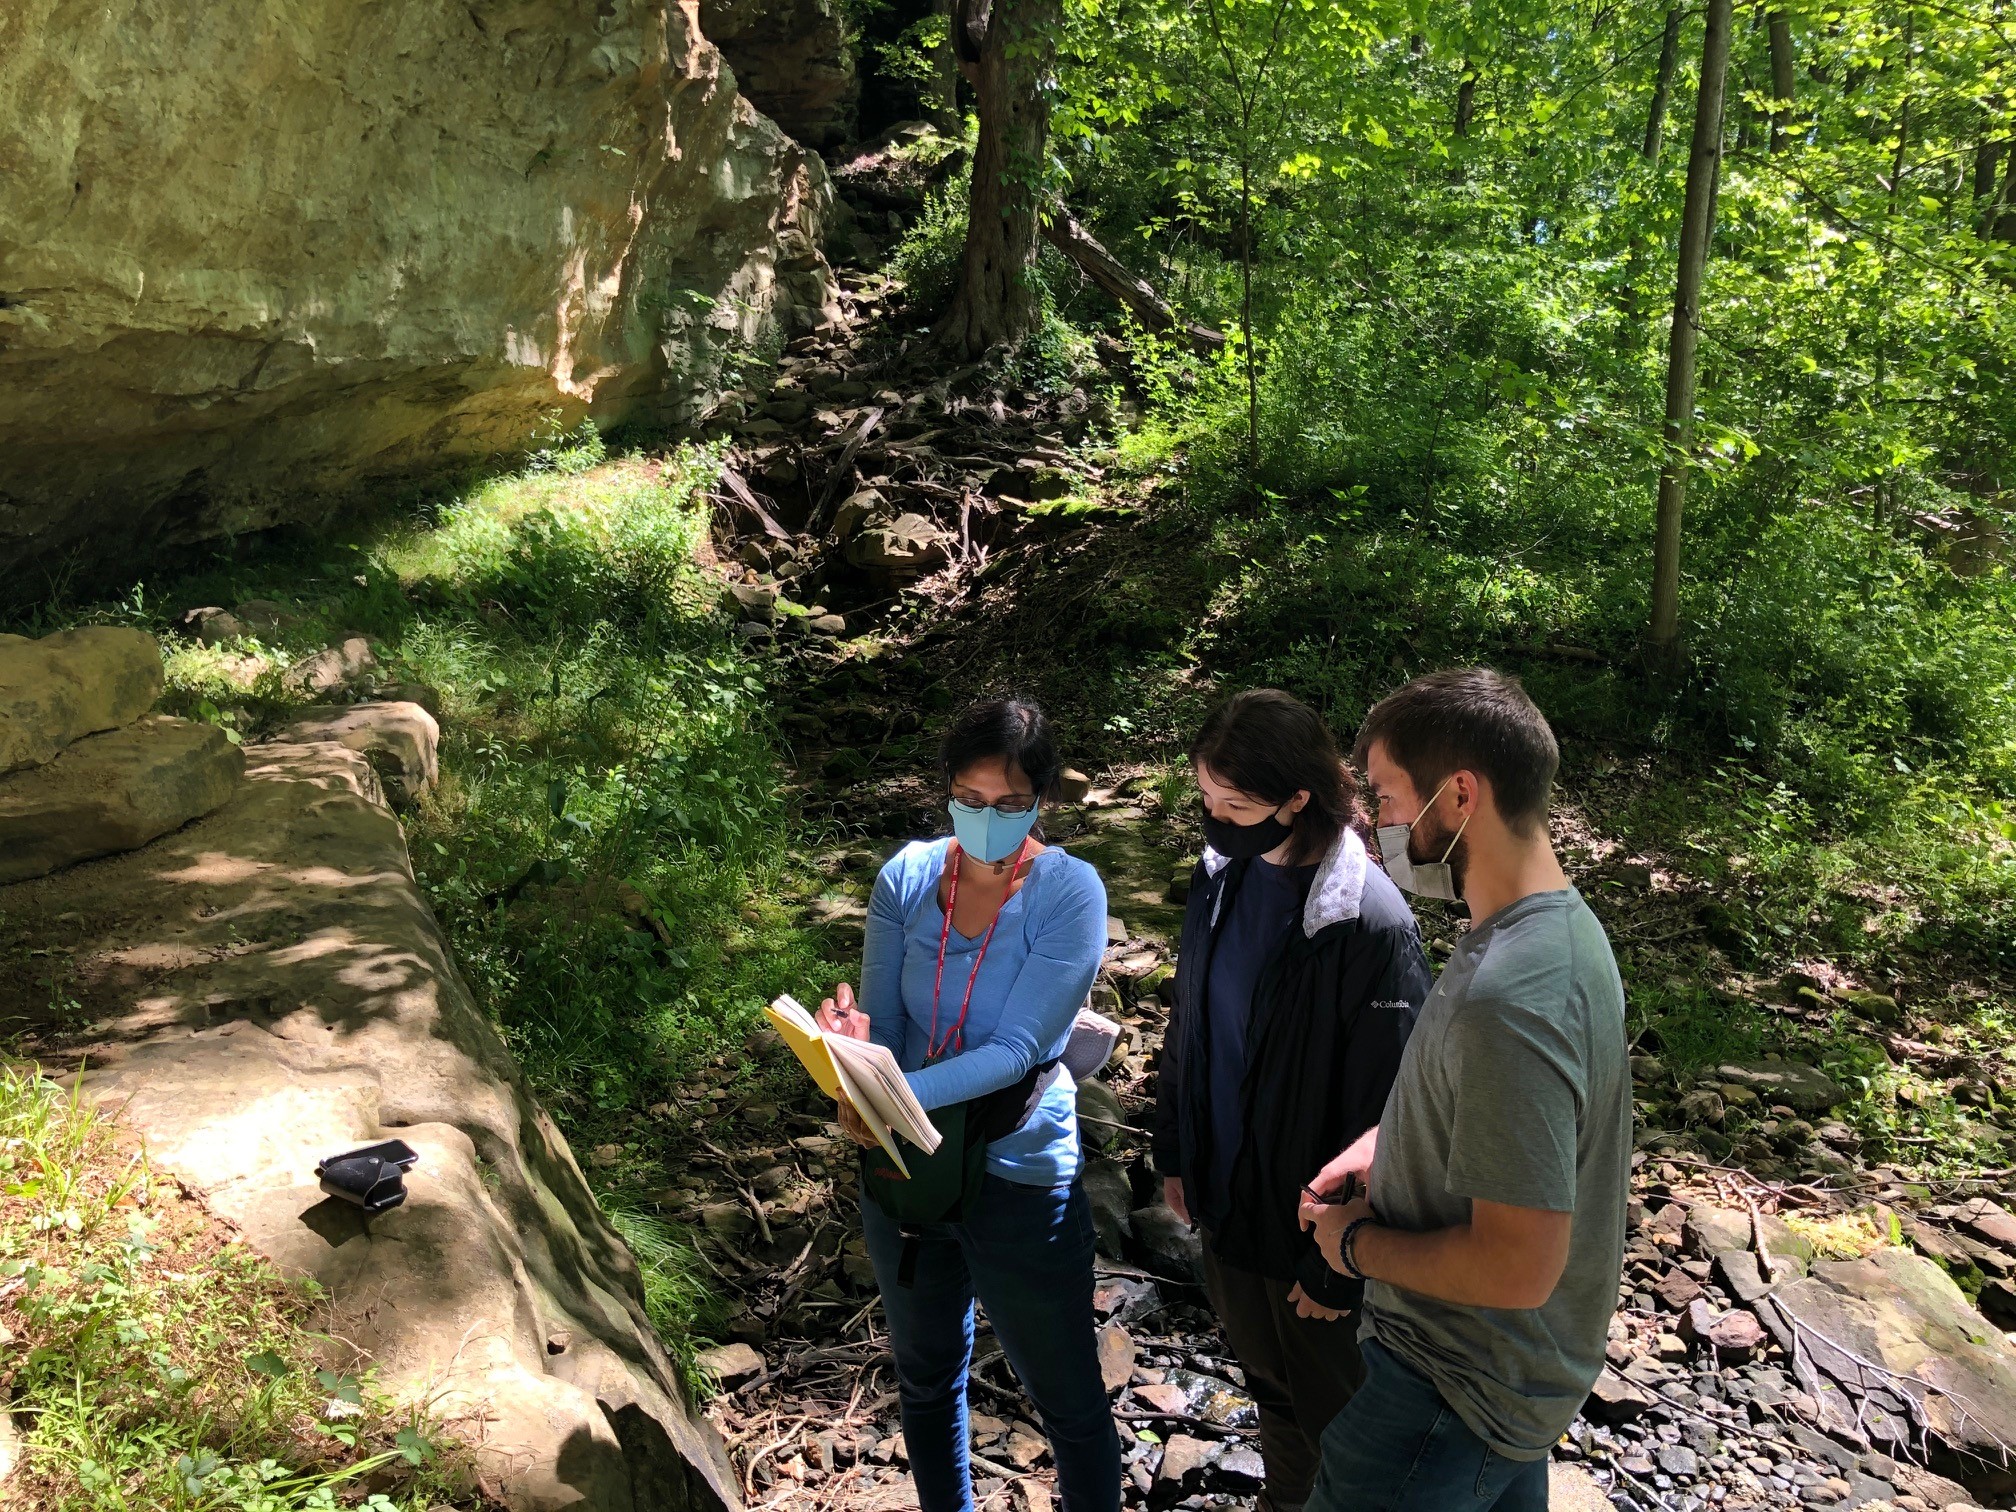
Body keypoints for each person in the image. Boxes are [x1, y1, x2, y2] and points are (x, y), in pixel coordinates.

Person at [1295, 669, 1631, 1512]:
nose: (1377, 824)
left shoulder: (1512, 993)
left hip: (1446, 1395)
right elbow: (1524, 1120)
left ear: (1460, 796)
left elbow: (1518, 1266)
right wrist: (1391, 1145)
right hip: (1504, 1385)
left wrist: (1353, 1245)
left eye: (1386, 797)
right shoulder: (1553, 930)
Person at [816, 696, 1120, 1512]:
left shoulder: (1069, 894)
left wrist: (893, 1096)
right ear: (947, 789)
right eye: (970, 799)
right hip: (906, 1164)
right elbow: (888, 1021)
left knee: (1067, 1399)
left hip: (1015, 1170)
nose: (988, 818)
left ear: (1042, 800)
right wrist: (853, 1057)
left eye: (1011, 804)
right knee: (925, 1378)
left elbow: (1018, 1050)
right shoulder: (909, 877)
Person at [1152, 689, 1433, 1512]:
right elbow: (1189, 1024)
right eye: (1206, 798)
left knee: (1339, 1419)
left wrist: (1337, 1266)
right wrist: (1177, 1153)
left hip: (1314, 1230)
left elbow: (1389, 1114)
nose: (1214, 821)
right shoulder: (1221, 879)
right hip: (1229, 1201)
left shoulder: (1369, 926)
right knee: (1272, 1391)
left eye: (1234, 807)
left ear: (1297, 799)